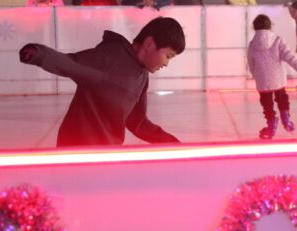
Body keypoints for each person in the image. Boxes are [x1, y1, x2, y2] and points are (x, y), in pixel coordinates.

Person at [19, 17, 185, 147]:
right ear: (149, 44)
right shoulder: (111, 57)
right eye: (168, 56)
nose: (166, 63)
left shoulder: (142, 75)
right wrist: (37, 53)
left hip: (107, 151)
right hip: (77, 149)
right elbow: (71, 64)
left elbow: (137, 121)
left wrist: (172, 143)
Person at [247, 14, 297, 139]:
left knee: (266, 103)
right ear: (270, 26)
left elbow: (251, 63)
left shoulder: (252, 44)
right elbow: (290, 57)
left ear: (254, 27)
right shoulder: (277, 40)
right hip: (278, 78)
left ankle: (271, 124)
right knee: (282, 98)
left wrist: (255, 75)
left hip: (263, 80)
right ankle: (285, 116)